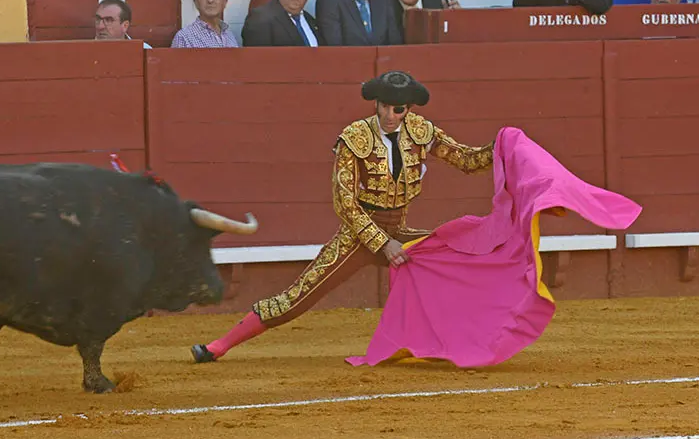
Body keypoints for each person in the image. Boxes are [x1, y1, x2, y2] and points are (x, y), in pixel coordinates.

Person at [190, 71, 495, 363]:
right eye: (383, 107)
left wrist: (503, 146)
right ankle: (219, 346)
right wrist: (383, 243)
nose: (389, 115)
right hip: (358, 236)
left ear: (408, 109)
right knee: (297, 298)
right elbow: (345, 203)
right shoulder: (354, 137)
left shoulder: (421, 130)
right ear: (375, 103)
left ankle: (468, 342)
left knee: (457, 260)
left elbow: (467, 160)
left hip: (399, 231)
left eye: (397, 109)